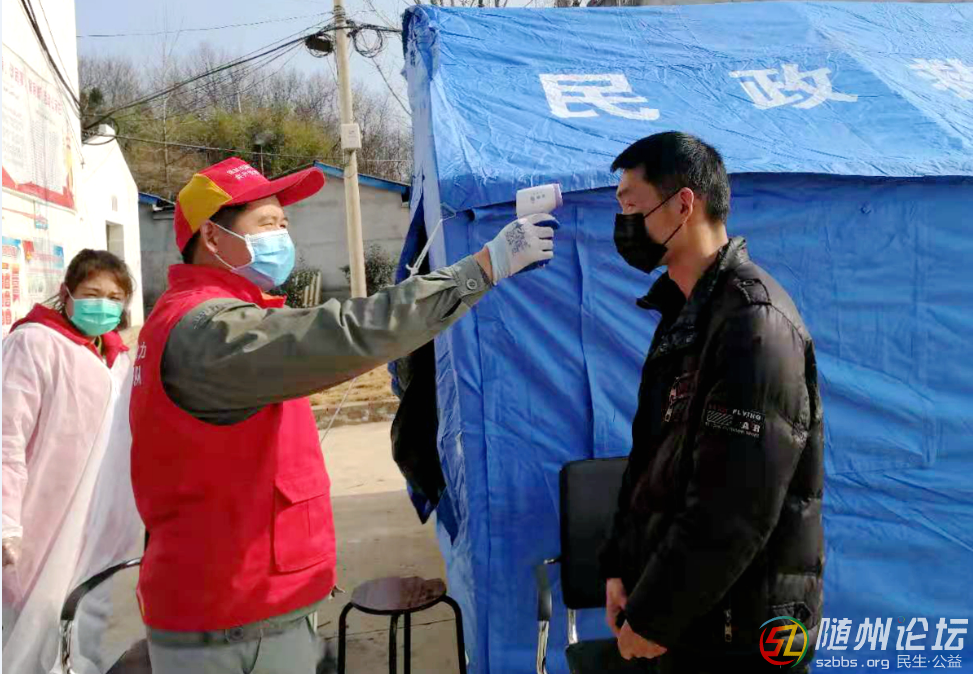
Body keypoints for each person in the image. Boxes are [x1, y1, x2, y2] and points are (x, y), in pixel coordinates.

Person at [129, 157, 556, 674]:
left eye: (284, 224)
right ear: (213, 237)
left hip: (241, 608)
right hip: (234, 619)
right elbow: (347, 332)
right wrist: (482, 267)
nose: (282, 236)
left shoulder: (212, 318)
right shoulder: (208, 330)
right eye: (266, 224)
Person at [599, 132, 825, 673]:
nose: (623, 223)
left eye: (631, 205)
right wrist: (621, 567)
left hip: (741, 631)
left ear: (683, 204)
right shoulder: (685, 313)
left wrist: (654, 616)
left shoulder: (754, 324)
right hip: (692, 616)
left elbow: (734, 506)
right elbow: (650, 461)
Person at [2, 249, 143, 673]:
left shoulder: (116, 358)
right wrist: (6, 521)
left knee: (84, 629)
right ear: (66, 295)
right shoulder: (34, 343)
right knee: (29, 631)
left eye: (114, 297)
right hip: (41, 520)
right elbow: (7, 436)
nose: (103, 305)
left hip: (97, 527)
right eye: (92, 294)